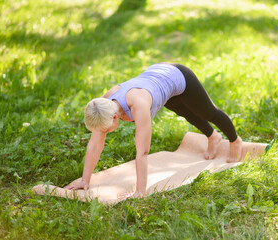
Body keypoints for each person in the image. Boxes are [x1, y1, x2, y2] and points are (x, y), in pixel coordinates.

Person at [64, 63, 243, 198]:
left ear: (115, 117)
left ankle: (235, 141)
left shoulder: (138, 106)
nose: (104, 133)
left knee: (208, 112)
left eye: (106, 130)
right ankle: (213, 137)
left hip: (178, 76)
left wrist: (140, 191)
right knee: (187, 113)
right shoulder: (103, 106)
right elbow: (95, 145)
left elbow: (142, 152)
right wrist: (85, 179)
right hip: (158, 79)